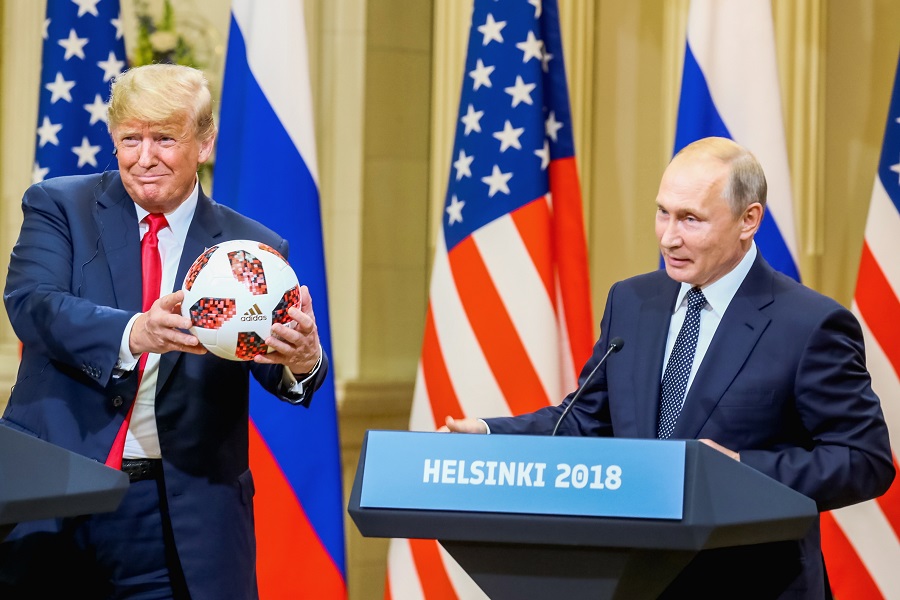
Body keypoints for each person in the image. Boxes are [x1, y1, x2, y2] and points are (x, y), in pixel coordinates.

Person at [443, 136, 895, 598]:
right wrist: (490, 437)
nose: (668, 236)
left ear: (749, 220)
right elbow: (584, 419)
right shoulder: (632, 301)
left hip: (754, 583)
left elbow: (865, 460)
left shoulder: (809, 324)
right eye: (663, 212)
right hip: (634, 579)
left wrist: (743, 469)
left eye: (690, 219)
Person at [0, 64, 327, 599]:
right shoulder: (61, 206)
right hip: (51, 500)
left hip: (176, 517)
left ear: (204, 143)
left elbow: (272, 362)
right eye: (131, 139)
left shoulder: (251, 249)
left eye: (165, 139)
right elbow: (33, 305)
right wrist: (135, 331)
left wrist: (302, 359)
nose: (144, 157)